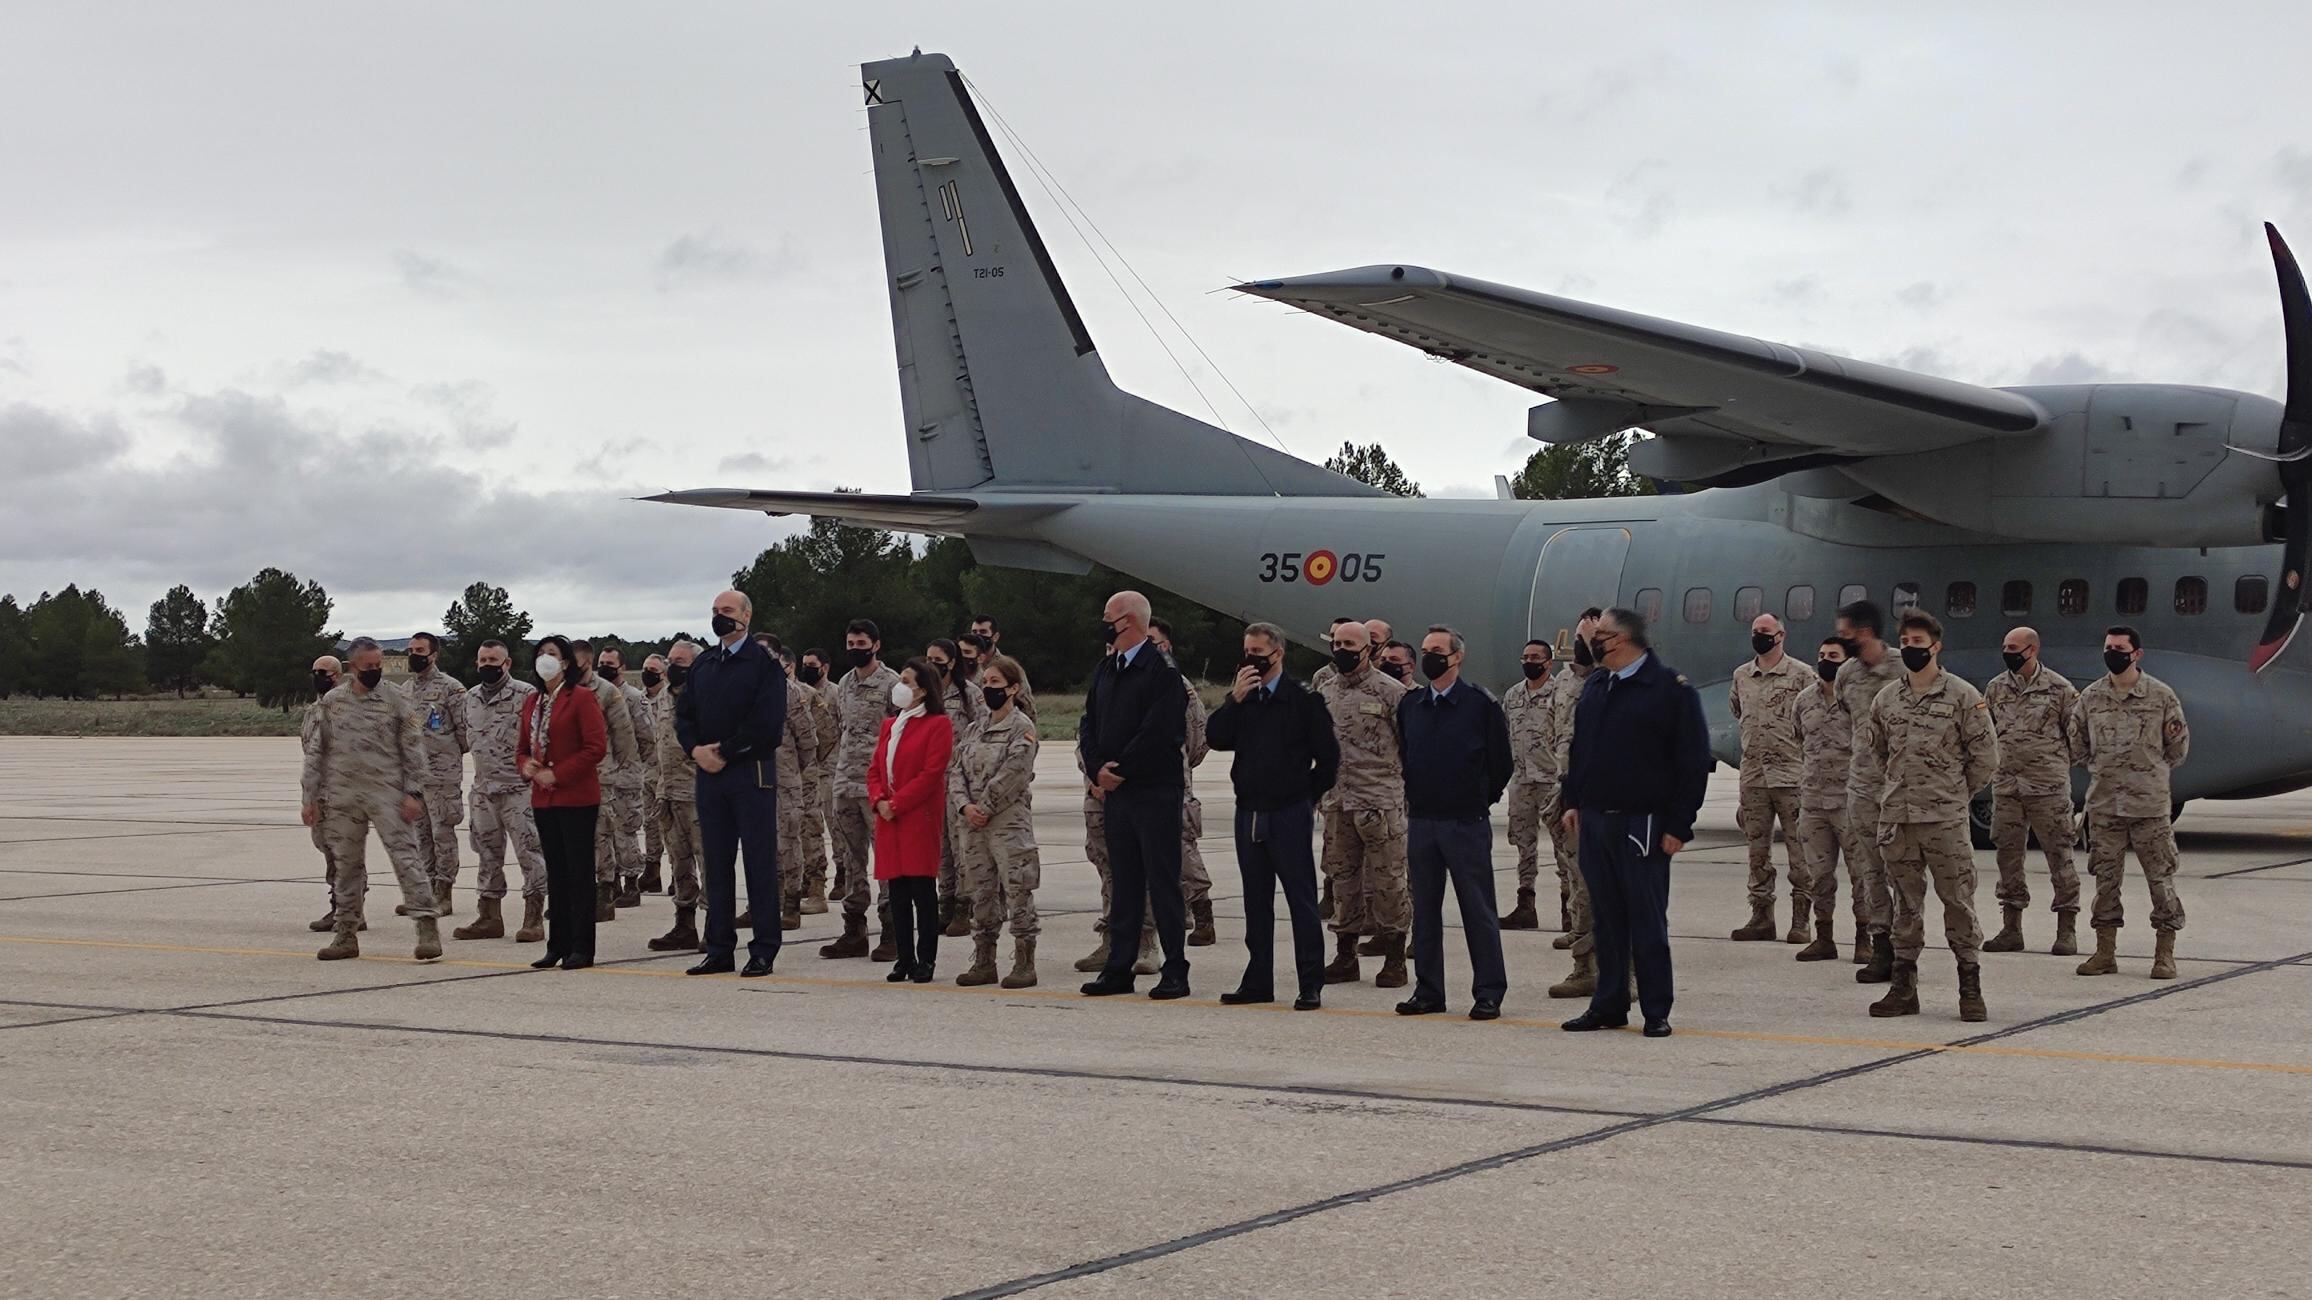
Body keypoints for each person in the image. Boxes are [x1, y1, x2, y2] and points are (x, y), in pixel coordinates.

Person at [1558, 608, 1710, 1038]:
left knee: (1646, 919)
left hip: (1642, 822)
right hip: (1596, 820)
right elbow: (1581, 749)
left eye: (1599, 634)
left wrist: (1679, 825)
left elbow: (1692, 761)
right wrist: (1574, 799)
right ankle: (1608, 1003)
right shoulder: (1597, 686)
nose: (1591, 641)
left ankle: (1656, 1008)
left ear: (1620, 639)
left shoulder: (1668, 690)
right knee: (1606, 918)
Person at [1853, 611, 1999, 1021]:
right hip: (1899, 818)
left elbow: (1985, 758)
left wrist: (1954, 793)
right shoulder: (1887, 698)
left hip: (1945, 820)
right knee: (1905, 906)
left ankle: (1970, 988)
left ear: (1936, 646)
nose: (1912, 648)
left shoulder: (1963, 696)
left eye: (1919, 642)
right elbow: (1880, 752)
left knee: (1958, 903)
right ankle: (1903, 987)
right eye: (1906, 641)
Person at [1207, 623, 1340, 1009]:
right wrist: (1234, 699)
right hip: (1249, 810)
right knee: (1255, 899)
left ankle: (1309, 982)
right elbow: (1216, 738)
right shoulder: (1245, 698)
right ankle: (1258, 980)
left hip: (1288, 811)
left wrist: (1306, 796)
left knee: (1300, 899)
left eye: (1258, 654)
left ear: (1278, 654)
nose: (1251, 660)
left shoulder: (1302, 700)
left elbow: (1328, 757)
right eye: (1247, 653)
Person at [1393, 625, 1513, 1021]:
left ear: (1457, 657)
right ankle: (1428, 990)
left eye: (1437, 651)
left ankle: (1488, 992)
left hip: (1465, 822)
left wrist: (1481, 798)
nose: (1429, 657)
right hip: (1423, 821)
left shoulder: (1480, 706)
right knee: (1424, 910)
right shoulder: (1412, 706)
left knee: (1477, 910)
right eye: (1425, 650)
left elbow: (1501, 763)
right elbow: (1407, 754)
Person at [1079, 590, 1193, 1000]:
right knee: (1124, 881)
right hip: (1118, 794)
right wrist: (1097, 768)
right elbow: (1088, 724)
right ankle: (1119, 967)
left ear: (1127, 621)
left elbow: (1160, 732)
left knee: (1162, 882)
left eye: (1108, 617)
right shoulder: (1107, 669)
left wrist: (1119, 770)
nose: (1104, 623)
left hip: (1153, 791)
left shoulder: (1161, 671)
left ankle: (1175, 969)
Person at [305, 637, 442, 962]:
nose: (375, 672)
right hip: (343, 796)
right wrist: (309, 796)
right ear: (353, 668)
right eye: (369, 667)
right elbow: (316, 751)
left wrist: (414, 792)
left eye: (379, 666)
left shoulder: (397, 699)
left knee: (406, 861)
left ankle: (426, 927)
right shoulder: (332, 702)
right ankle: (345, 934)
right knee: (346, 867)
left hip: (388, 793)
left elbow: (414, 746)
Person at [676, 590, 789, 978]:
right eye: (714, 611)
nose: (719, 617)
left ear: (746, 615)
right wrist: (695, 750)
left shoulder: (763, 665)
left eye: (726, 611)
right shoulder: (705, 664)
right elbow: (684, 716)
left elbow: (768, 725)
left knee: (758, 862)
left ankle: (763, 949)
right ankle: (719, 946)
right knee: (716, 863)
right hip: (710, 775)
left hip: (749, 772)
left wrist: (724, 750)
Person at [2068, 626, 2191, 980]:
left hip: (2149, 807)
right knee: (2105, 881)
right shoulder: (2091, 697)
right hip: (2105, 806)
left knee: (2161, 880)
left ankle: (2164, 955)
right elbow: (2077, 747)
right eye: (2108, 647)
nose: (2112, 653)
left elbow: (2177, 750)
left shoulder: (2160, 696)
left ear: (2136, 653)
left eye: (2119, 648)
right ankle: (2104, 953)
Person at [1314, 618, 1410, 988]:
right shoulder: (1324, 692)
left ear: (1368, 650)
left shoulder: (1391, 693)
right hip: (1339, 804)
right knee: (1343, 881)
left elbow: (1409, 746)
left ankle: (1395, 956)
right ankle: (1345, 955)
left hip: (1379, 803)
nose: (1342, 651)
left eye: (1350, 646)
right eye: (1337, 643)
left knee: (1389, 882)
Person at [1983, 626, 2082, 956]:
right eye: (2005, 645)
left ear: (2032, 650)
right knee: (2007, 857)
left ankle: (2066, 929)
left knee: (2060, 856)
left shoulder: (2059, 689)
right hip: (2008, 787)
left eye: (2014, 647)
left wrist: (2054, 764)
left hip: (2048, 788)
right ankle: (2011, 928)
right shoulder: (1996, 688)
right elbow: (1988, 734)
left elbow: (2077, 738)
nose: (2008, 652)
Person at [518, 635, 608, 970]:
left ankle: (582, 947)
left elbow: (595, 747)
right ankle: (558, 944)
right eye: (540, 654)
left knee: (579, 872)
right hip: (544, 800)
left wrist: (559, 775)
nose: (545, 659)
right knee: (556, 873)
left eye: (552, 654)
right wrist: (525, 766)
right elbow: (521, 747)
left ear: (566, 663)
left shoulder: (581, 698)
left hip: (576, 797)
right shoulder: (533, 701)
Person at [953, 654, 1043, 987]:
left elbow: (1015, 772)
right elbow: (956, 770)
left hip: (1007, 823)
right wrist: (964, 806)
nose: (988, 688)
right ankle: (984, 960)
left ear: (1013, 688)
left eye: (995, 683)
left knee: (1018, 889)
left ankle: (1023, 961)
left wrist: (985, 807)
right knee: (981, 892)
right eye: (985, 682)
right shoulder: (975, 728)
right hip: (973, 825)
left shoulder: (1021, 727)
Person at [870, 658, 956, 983]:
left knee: (922, 891)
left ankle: (926, 959)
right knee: (898, 892)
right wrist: (879, 800)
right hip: (889, 818)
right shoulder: (890, 725)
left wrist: (897, 803)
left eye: (906, 681)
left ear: (922, 689)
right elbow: (875, 768)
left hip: (917, 816)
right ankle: (904, 958)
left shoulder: (938, 725)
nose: (900, 686)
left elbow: (931, 774)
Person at [1729, 613, 1813, 943]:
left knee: (1799, 852)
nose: (1759, 637)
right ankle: (1761, 915)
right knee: (1757, 852)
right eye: (1755, 632)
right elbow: (1739, 713)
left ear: (1781, 636)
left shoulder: (1802, 675)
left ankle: (1801, 919)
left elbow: (1813, 720)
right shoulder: (1742, 676)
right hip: (1753, 778)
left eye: (1765, 632)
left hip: (1791, 776)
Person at [459, 639, 546, 942]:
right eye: (483, 660)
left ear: (507, 663)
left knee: (530, 853)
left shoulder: (527, 695)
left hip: (518, 789)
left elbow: (542, 737)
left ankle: (534, 917)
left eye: (493, 660)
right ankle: (488, 916)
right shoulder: (469, 698)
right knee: (486, 854)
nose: (487, 666)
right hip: (484, 790)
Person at [1834, 600, 1903, 979]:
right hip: (1862, 789)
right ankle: (1882, 948)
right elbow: (1851, 719)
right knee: (1870, 872)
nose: (1840, 640)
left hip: (1900, 790)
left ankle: (1909, 951)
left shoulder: (1903, 668)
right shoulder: (1847, 675)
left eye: (1844, 634)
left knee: (1905, 874)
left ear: (1863, 632)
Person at [823, 619, 899, 960]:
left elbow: (900, 735)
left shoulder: (892, 684)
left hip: (877, 785)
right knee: (850, 859)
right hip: (845, 782)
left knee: (885, 859)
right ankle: (853, 931)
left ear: (876, 645)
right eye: (850, 643)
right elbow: (843, 729)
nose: (855, 648)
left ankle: (892, 930)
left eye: (861, 643)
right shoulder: (844, 684)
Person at [1542, 611, 1602, 999]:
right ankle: (1586, 965)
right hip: (1569, 795)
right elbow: (1552, 731)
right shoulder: (1563, 683)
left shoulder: (1608, 682)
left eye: (1589, 636)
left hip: (1603, 800)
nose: (1579, 642)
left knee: (1604, 891)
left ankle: (1617, 970)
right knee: (1580, 889)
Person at [1147, 617, 1218, 946]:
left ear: (1167, 646)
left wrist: (1176, 765)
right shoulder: (1127, 681)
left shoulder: (1180, 687)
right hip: (1140, 783)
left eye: (1154, 641)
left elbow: (1197, 739)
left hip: (1173, 782)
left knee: (1182, 850)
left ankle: (1203, 913)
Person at [1789, 636, 1858, 962]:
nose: (1825, 660)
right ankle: (1824, 936)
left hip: (1850, 801)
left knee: (1864, 874)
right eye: (1821, 654)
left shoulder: (1859, 701)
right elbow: (1800, 739)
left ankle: (1866, 938)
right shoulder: (1803, 701)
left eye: (1833, 655)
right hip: (1814, 802)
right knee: (1819, 875)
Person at [399, 631, 469, 916]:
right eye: (411, 649)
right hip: (414, 777)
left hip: (442, 775)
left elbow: (465, 732)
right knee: (420, 836)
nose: (414, 655)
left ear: (434, 654)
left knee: (442, 834)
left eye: (420, 650)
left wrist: (445, 755)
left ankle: (444, 891)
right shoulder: (404, 690)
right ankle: (425, 891)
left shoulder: (451, 689)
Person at [571, 639, 639, 922]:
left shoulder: (608, 692)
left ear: (586, 662)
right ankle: (577, 895)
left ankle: (604, 893)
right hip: (569, 778)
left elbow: (626, 738)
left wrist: (613, 769)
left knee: (601, 837)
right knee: (574, 840)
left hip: (601, 777)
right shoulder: (563, 690)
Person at [924, 637, 986, 937]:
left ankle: (964, 906)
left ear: (951, 662)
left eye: (937, 660)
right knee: (940, 849)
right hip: (933, 781)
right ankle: (945, 904)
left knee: (962, 847)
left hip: (961, 782)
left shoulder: (968, 694)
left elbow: (983, 732)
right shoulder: (925, 697)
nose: (931, 665)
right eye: (928, 659)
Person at [648, 640, 705, 952]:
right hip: (668, 795)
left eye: (680, 662)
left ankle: (714, 926)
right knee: (679, 863)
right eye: (670, 661)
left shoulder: (706, 698)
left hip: (697, 795)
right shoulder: (663, 700)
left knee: (708, 862)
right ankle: (684, 924)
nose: (672, 667)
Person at [1503, 638, 1558, 931]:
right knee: (1524, 846)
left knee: (1565, 847)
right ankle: (1526, 905)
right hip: (1522, 781)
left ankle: (1570, 908)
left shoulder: (1559, 694)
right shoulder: (1512, 695)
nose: (1529, 661)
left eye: (1536, 657)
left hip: (1552, 781)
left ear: (1549, 662)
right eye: (1525, 656)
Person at [772, 644, 826, 932]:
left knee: (797, 836)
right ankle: (766, 902)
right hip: (760, 780)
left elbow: (821, 737)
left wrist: (803, 770)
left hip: (795, 779)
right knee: (765, 844)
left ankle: (799, 898)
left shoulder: (802, 694)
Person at [597, 645, 655, 908]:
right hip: (604, 776)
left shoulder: (632, 697)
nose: (604, 667)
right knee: (604, 833)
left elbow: (647, 737)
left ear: (621, 667)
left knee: (626, 831)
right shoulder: (598, 694)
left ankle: (632, 883)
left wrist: (631, 763)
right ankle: (613, 882)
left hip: (627, 777)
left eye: (610, 663)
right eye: (601, 662)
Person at [302, 655, 352, 935]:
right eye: (314, 671)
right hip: (319, 793)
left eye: (324, 672)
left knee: (345, 852)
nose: (318, 676)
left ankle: (350, 910)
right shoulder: (313, 710)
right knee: (327, 849)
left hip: (341, 792)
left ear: (338, 675)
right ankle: (339, 905)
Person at [796, 647, 839, 913]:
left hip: (827, 766)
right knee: (802, 829)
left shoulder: (834, 693)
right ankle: (803, 880)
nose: (807, 669)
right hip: (804, 771)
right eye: (804, 664)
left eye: (812, 664)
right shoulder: (798, 692)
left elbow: (831, 733)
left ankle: (836, 875)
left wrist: (822, 761)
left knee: (833, 827)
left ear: (825, 667)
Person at [637, 653, 669, 894]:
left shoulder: (672, 699)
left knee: (673, 826)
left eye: (653, 669)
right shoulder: (640, 700)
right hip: (647, 771)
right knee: (650, 823)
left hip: (669, 773)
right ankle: (652, 869)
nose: (648, 673)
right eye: (646, 668)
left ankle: (683, 876)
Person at [969, 614, 1035, 715]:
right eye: (974, 632)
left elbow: (1027, 705)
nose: (978, 636)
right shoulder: (966, 667)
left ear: (995, 637)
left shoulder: (1010, 667)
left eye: (983, 632)